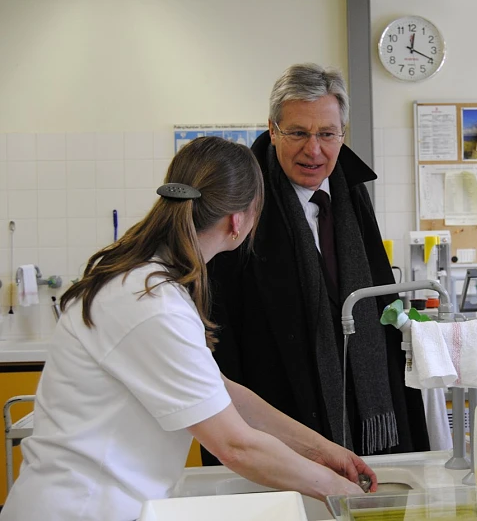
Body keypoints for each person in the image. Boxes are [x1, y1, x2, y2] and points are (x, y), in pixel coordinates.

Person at [0, 137, 376, 521]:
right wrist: (341, 493)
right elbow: (235, 446)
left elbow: (223, 394)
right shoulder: (151, 302)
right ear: (238, 220)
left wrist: (322, 451)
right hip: (81, 510)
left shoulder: (148, 281)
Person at [204, 63, 429, 464]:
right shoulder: (240, 200)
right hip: (277, 410)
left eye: (327, 134)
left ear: (342, 134)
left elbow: (378, 303)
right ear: (272, 130)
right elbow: (221, 327)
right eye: (298, 133)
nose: (314, 150)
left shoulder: (351, 191)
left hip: (364, 415)